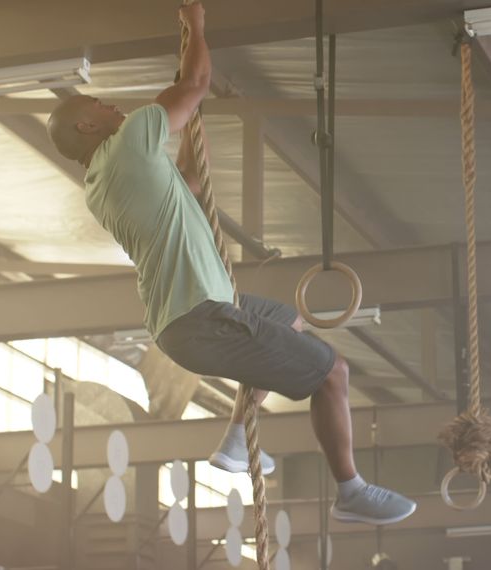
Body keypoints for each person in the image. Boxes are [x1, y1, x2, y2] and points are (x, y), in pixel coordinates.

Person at [45, 3, 415, 526]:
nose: (112, 105)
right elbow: (195, 80)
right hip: (199, 316)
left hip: (195, 314)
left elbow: (192, 184)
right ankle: (350, 488)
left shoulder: (106, 183)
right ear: (87, 123)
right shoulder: (126, 145)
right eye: (100, 103)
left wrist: (192, 116)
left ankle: (237, 439)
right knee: (333, 371)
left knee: (287, 318)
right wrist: (196, 26)